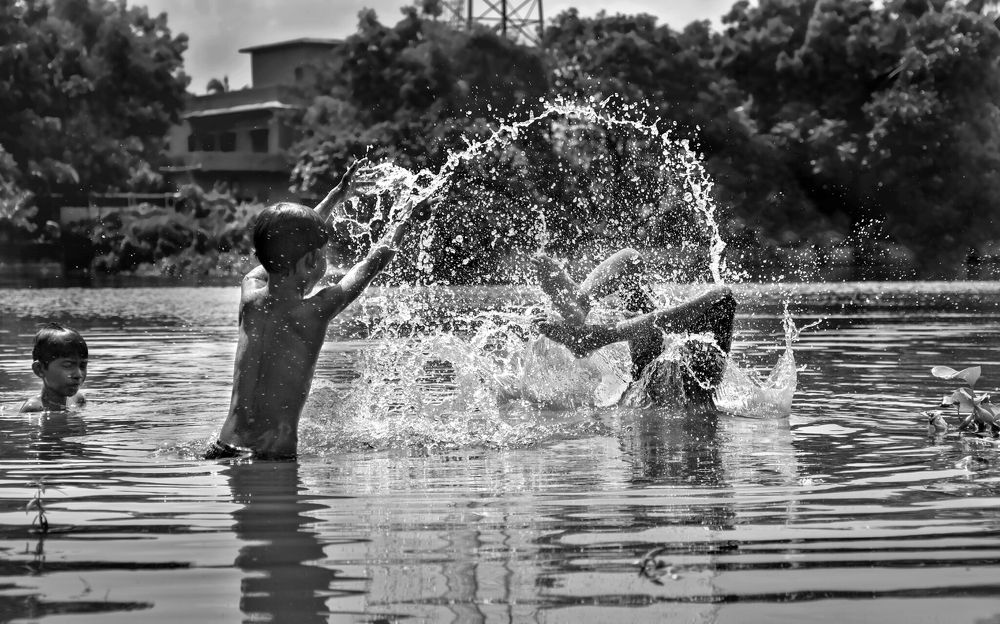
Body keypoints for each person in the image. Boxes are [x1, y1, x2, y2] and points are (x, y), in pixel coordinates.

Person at [205, 161, 432, 460]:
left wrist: (337, 196)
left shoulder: (250, 297)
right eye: (322, 255)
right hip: (270, 455)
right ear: (311, 262)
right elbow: (370, 265)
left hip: (223, 447)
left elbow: (279, 250)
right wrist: (406, 217)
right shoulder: (313, 312)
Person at [531, 248, 736, 407]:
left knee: (723, 296)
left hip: (670, 391)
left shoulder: (692, 370)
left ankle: (596, 336)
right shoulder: (680, 358)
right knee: (630, 259)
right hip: (654, 378)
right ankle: (580, 303)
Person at [20, 323, 88, 413]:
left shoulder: (78, 400)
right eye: (68, 365)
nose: (78, 375)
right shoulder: (33, 409)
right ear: (39, 369)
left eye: (82, 366)